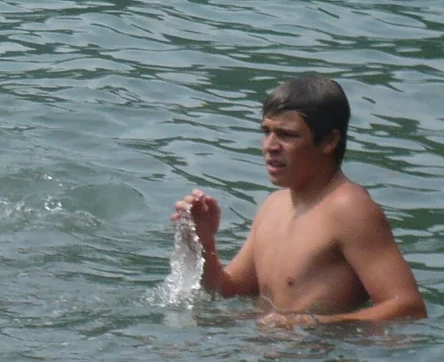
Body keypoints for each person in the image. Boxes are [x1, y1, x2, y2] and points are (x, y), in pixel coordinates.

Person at [175, 75, 424, 324]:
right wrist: (203, 242)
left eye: (286, 135)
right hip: (265, 342)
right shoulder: (274, 205)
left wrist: (310, 324)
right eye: (266, 131)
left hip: (319, 347)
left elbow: (408, 308)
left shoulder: (350, 209)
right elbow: (225, 292)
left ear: (329, 141)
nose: (270, 146)